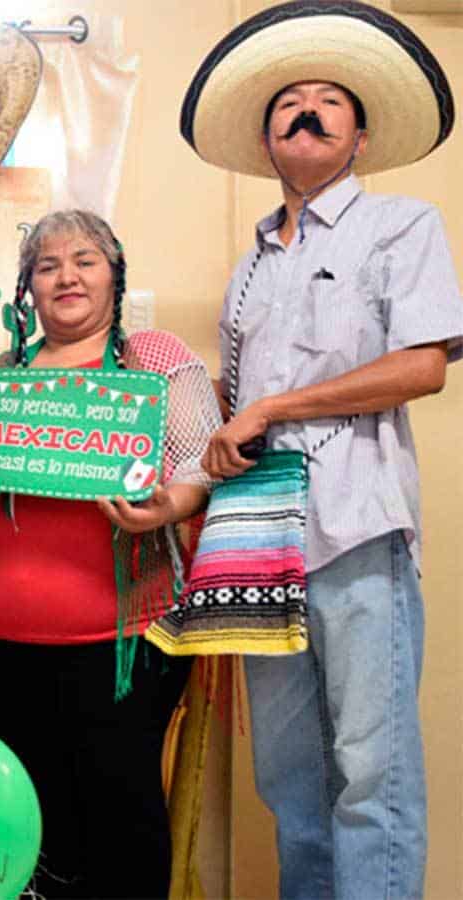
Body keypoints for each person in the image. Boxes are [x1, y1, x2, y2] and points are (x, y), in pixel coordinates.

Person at [178, 3, 461, 896]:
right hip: (260, 544)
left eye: (328, 100)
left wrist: (276, 407)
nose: (306, 110)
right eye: (287, 102)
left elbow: (423, 367)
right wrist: (199, 467)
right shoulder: (251, 263)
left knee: (372, 774)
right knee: (289, 780)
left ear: (361, 135)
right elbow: (230, 410)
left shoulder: (403, 226)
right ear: (267, 142)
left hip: (356, 528)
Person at [0, 209, 222, 899]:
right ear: (27, 288)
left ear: (115, 275)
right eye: (47, 264)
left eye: (85, 260)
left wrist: (170, 504)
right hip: (2, 640)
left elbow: (204, 463)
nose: (66, 276)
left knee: (121, 817)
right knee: (33, 820)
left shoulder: (153, 358)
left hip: (122, 640)